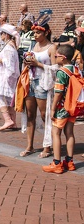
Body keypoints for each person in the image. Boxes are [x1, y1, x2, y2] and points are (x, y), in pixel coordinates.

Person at [21, 22, 57, 158]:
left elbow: (55, 68)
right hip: (30, 81)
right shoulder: (33, 45)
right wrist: (27, 63)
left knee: (44, 115)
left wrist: (38, 64)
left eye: (38, 33)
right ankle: (29, 145)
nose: (35, 35)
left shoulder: (52, 47)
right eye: (34, 32)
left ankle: (47, 146)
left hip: (43, 83)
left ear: (46, 33)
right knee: (30, 114)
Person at [42, 44, 77, 173]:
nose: (54, 57)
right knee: (69, 133)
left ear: (62, 57)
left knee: (55, 133)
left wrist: (52, 108)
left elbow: (58, 92)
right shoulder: (75, 69)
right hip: (72, 106)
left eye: (56, 56)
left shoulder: (62, 72)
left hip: (62, 107)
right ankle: (69, 161)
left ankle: (57, 163)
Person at [0, 24, 20, 130]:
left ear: (7, 35)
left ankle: (8, 120)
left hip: (6, 76)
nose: (1, 35)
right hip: (9, 76)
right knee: (9, 99)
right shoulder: (11, 46)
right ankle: (13, 122)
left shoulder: (8, 48)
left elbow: (9, 64)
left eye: (2, 33)